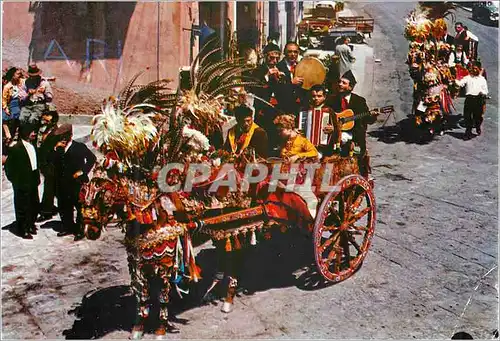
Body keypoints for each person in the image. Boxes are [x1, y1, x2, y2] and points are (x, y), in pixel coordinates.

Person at [326, 70, 377, 180]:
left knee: (358, 159)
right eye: (340, 82)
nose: (340, 84)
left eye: (344, 83)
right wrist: (331, 126)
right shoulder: (331, 99)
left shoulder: (359, 101)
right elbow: (326, 116)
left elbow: (368, 119)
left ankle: (361, 180)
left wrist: (373, 115)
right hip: (335, 136)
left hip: (355, 137)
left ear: (351, 87)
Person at [53, 124, 97, 241]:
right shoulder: (58, 149)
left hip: (77, 182)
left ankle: (79, 230)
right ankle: (68, 227)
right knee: (64, 206)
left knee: (79, 207)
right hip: (63, 182)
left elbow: (92, 159)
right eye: (61, 137)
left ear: (70, 136)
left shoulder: (79, 147)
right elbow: (52, 162)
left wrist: (83, 171)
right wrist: (55, 151)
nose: (63, 139)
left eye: (65, 137)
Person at [4, 124, 40, 239]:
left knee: (33, 204)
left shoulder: (32, 145)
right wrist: (16, 181)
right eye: (32, 132)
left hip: (32, 180)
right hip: (21, 182)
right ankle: (22, 229)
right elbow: (9, 167)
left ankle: (30, 225)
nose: (34, 133)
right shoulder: (16, 148)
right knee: (22, 207)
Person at [298, 84, 341, 156]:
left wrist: (332, 129)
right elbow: (298, 126)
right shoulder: (305, 110)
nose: (316, 98)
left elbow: (337, 129)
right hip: (306, 145)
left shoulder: (329, 110)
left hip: (323, 146)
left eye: (319, 96)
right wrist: (298, 130)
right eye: (313, 96)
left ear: (324, 97)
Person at [36, 107, 60, 222]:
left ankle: (47, 212)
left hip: (51, 165)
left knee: (49, 188)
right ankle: (52, 206)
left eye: (47, 116)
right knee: (53, 188)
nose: (44, 118)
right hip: (45, 163)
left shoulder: (56, 131)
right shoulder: (47, 130)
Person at [455, 61, 488, 139]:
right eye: (473, 69)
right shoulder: (468, 77)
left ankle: (477, 127)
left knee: (478, 116)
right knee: (467, 116)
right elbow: (460, 83)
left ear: (479, 70)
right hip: (469, 99)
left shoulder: (482, 79)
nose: (474, 70)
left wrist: (482, 92)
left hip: (478, 99)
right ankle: (468, 132)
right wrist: (454, 80)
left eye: (476, 69)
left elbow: (486, 90)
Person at [275, 41, 307, 115]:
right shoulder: (278, 68)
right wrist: (291, 83)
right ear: (284, 53)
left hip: (300, 109)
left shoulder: (302, 67)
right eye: (290, 52)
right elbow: (277, 89)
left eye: (295, 52)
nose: (293, 54)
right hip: (283, 109)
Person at [2, 67, 26, 145]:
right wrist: (5, 108)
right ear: (13, 75)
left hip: (20, 103)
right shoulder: (7, 86)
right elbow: (4, 99)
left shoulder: (21, 82)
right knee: (5, 115)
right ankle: (8, 135)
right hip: (12, 103)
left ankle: (14, 136)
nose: (20, 75)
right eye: (18, 74)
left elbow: (29, 80)